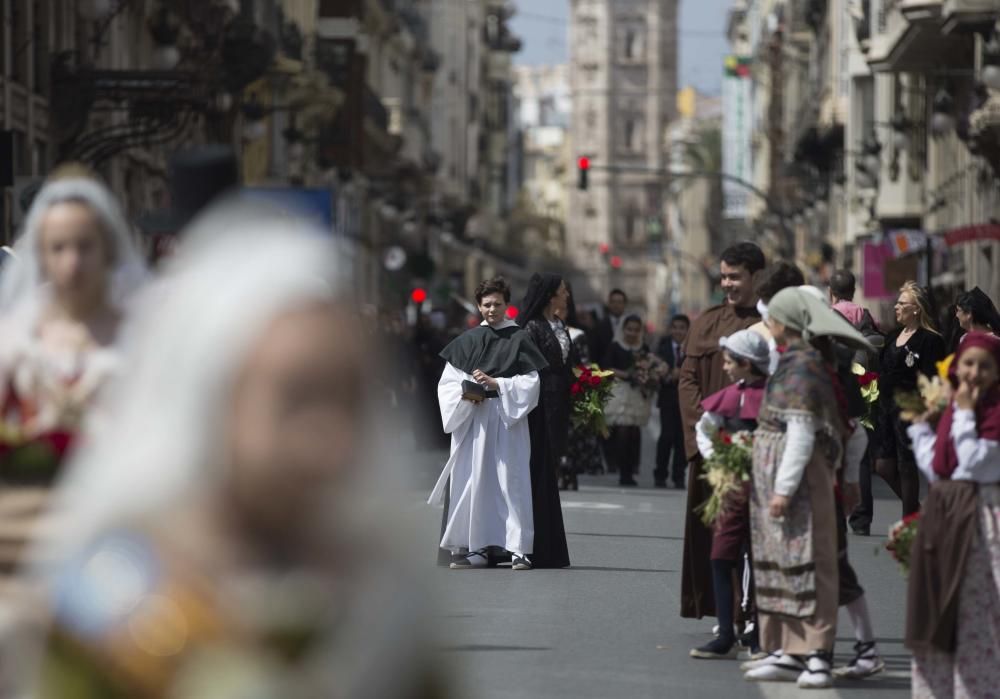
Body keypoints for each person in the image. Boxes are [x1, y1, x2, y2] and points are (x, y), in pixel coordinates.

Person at [19, 207, 444, 697]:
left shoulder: (383, 606)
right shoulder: (112, 613)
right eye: (297, 399)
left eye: (349, 399)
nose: (333, 437)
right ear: (214, 401)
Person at [0, 176, 147, 581]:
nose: (73, 263)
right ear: (41, 255)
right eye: (58, 248)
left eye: (85, 246)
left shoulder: (141, 336)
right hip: (23, 533)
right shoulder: (14, 339)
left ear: (108, 251)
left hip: (119, 528)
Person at [742, 287, 872, 689]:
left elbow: (800, 431)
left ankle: (816, 654)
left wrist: (782, 489)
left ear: (785, 323)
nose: (769, 326)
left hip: (801, 481)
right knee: (783, 564)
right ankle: (787, 650)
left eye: (773, 318)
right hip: (786, 480)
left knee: (812, 565)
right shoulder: (794, 361)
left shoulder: (804, 366)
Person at [904, 332, 1000, 699]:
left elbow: (977, 464)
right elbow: (938, 468)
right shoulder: (956, 410)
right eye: (968, 363)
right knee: (936, 614)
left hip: (981, 520)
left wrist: (961, 414)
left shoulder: (990, 410)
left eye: (985, 365)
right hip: (944, 516)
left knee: (977, 616)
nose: (974, 373)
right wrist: (920, 427)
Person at [430, 277, 548, 570]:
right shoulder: (467, 340)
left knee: (512, 481)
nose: (492, 310)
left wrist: (497, 383)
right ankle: (477, 547)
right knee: (475, 480)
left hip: (507, 418)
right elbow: (448, 384)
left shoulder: (519, 338)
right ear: (479, 306)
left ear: (507, 305)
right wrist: (469, 392)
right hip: (475, 417)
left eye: (497, 304)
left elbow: (531, 383)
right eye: (486, 305)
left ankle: (518, 548)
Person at [679, 242, 765, 620]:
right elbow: (687, 379)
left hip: (757, 444)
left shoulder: (770, 324)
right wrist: (704, 431)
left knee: (756, 537)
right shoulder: (706, 321)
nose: (727, 283)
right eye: (724, 276)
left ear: (756, 277)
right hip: (711, 443)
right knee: (713, 535)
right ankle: (723, 613)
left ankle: (757, 615)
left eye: (736, 276)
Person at [688, 330, 769, 660]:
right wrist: (719, 458)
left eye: (728, 360)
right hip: (734, 488)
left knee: (762, 561)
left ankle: (760, 632)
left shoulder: (773, 398)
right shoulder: (728, 396)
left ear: (746, 364)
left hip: (766, 490)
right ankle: (726, 632)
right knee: (721, 557)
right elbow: (705, 430)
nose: (724, 366)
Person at [875, 281, 947, 516]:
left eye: (902, 303)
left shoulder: (930, 340)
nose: (896, 307)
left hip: (910, 410)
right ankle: (918, 514)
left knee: (907, 467)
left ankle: (909, 522)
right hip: (886, 410)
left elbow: (931, 378)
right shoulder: (893, 336)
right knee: (883, 466)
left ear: (916, 309)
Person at [519, 273, 573, 569]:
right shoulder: (532, 328)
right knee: (537, 468)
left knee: (551, 468)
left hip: (559, 403)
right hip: (540, 404)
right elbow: (528, 369)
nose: (567, 296)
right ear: (551, 294)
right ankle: (531, 539)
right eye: (563, 291)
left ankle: (548, 538)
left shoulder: (558, 324)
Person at [603, 315, 662, 486]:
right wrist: (628, 375)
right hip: (620, 392)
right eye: (629, 329)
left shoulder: (642, 347)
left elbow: (651, 364)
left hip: (638, 394)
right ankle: (623, 471)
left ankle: (632, 468)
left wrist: (647, 376)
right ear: (623, 329)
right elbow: (607, 367)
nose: (632, 332)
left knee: (635, 433)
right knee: (622, 432)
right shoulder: (615, 346)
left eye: (636, 329)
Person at [560, 285, 601, 489]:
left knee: (572, 434)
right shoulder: (537, 330)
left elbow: (585, 365)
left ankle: (570, 470)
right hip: (550, 391)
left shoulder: (577, 335)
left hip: (572, 391)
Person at [655, 314, 690, 489]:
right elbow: (655, 366)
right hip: (667, 398)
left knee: (681, 439)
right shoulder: (663, 347)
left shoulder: (691, 349)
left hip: (685, 399)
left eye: (682, 327)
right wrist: (665, 373)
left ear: (687, 330)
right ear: (670, 329)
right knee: (666, 437)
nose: (678, 331)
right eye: (675, 327)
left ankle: (679, 475)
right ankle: (660, 474)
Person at [591, 288, 628, 367]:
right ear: (609, 304)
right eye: (613, 302)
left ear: (625, 304)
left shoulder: (631, 325)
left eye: (619, 302)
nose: (616, 305)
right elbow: (594, 354)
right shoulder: (598, 326)